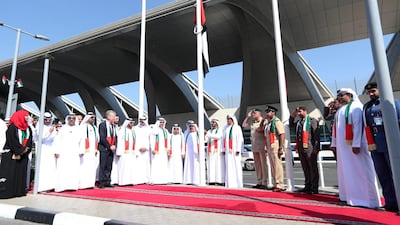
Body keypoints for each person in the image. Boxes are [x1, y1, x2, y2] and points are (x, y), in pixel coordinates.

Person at [331, 88, 381, 208]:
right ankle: (348, 196)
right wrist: (334, 143)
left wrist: (356, 144)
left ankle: (367, 199)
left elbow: (358, 127)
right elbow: (336, 129)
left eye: (341, 96)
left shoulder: (356, 107)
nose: (339, 98)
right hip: (344, 149)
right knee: (346, 172)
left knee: (361, 172)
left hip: (354, 146)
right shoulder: (341, 110)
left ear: (349, 95)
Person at [363, 82, 399, 212]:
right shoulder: (367, 107)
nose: (371, 94)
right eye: (369, 92)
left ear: (380, 89)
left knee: (397, 174)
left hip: (392, 145)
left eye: (373, 91)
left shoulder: (392, 103)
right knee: (383, 175)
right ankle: (390, 202)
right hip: (376, 147)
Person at [0, 110, 32, 199]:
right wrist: (20, 149)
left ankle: (19, 192)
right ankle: (7, 192)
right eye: (25, 116)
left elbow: (29, 140)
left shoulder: (28, 128)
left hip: (23, 155)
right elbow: (12, 140)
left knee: (20, 174)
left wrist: (26, 149)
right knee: (10, 174)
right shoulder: (12, 128)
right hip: (11, 154)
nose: (27, 117)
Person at [290, 106, 320, 194]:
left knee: (312, 167)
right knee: (305, 168)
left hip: (310, 147)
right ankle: (308, 186)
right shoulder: (299, 122)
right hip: (301, 147)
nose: (299, 114)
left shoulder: (312, 121)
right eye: (298, 112)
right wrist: (293, 115)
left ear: (305, 111)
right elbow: (291, 124)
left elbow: (316, 135)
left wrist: (316, 147)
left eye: (300, 112)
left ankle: (314, 188)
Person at [53, 114, 84, 192]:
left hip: (75, 152)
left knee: (74, 169)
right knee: (63, 169)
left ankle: (72, 186)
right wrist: (57, 151)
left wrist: (81, 151)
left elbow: (82, 141)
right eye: (70, 118)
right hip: (64, 152)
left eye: (73, 118)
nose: (71, 120)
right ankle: (62, 186)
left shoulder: (79, 129)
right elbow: (57, 140)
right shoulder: (62, 129)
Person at [242, 109, 268, 189]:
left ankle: (264, 182)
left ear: (259, 114)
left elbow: (261, 130)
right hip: (254, 146)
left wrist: (262, 120)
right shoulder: (253, 123)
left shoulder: (263, 121)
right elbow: (244, 125)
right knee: (257, 165)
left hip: (262, 146)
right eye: (252, 113)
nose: (253, 114)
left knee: (263, 165)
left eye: (255, 113)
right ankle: (259, 181)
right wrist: (248, 117)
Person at [264, 106, 285, 192]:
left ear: (273, 112)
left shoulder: (276, 122)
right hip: (270, 147)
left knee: (277, 166)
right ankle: (275, 183)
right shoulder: (269, 123)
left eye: (268, 111)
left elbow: (282, 134)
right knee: (273, 167)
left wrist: (281, 147)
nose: (267, 113)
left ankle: (280, 184)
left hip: (275, 146)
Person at [36, 112, 57, 192]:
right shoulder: (39, 127)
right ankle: (42, 187)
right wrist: (49, 131)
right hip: (43, 149)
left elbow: (55, 139)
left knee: (50, 168)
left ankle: (50, 185)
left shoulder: (52, 127)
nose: (47, 121)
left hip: (51, 150)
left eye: (49, 119)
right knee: (43, 168)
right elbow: (41, 137)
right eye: (45, 119)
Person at [79, 112, 99, 189]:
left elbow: (98, 139)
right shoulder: (82, 127)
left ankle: (90, 183)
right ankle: (83, 184)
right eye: (91, 117)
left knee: (92, 167)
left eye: (94, 118)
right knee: (84, 167)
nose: (93, 119)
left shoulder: (95, 128)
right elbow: (80, 140)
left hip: (93, 151)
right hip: (85, 151)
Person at [223, 115, 243, 188]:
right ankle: (229, 183)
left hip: (235, 151)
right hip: (228, 151)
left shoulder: (237, 128)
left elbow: (240, 139)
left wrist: (238, 149)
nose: (228, 121)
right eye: (227, 119)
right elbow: (223, 139)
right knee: (228, 167)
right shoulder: (225, 128)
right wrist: (223, 149)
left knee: (236, 166)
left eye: (229, 119)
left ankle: (238, 183)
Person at [98, 110, 117, 188]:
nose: (114, 118)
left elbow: (115, 137)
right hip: (104, 148)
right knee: (103, 165)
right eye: (113, 116)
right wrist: (109, 146)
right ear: (109, 117)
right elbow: (102, 137)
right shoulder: (102, 125)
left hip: (111, 149)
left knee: (109, 166)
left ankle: (107, 181)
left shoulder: (113, 126)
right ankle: (102, 182)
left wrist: (114, 145)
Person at [183, 121, 206, 186]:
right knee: (189, 165)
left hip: (196, 154)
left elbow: (203, 141)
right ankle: (188, 180)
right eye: (190, 127)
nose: (191, 128)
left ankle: (196, 180)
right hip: (188, 154)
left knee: (196, 165)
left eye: (192, 126)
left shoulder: (198, 134)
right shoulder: (187, 134)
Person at [116, 118, 136, 186]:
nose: (132, 124)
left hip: (131, 153)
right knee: (124, 167)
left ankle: (130, 181)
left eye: (133, 123)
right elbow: (119, 142)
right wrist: (119, 152)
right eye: (130, 123)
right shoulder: (122, 131)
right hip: (124, 152)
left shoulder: (133, 131)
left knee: (131, 167)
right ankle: (123, 181)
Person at [149, 118, 169, 184]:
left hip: (163, 151)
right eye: (160, 122)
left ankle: (163, 180)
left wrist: (168, 149)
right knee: (156, 164)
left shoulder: (165, 131)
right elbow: (151, 140)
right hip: (156, 150)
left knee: (163, 165)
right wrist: (152, 149)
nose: (162, 124)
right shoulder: (154, 130)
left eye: (163, 122)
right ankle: (155, 180)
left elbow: (168, 141)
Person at [205, 119, 224, 185]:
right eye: (211, 122)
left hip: (217, 150)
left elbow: (217, 136)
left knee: (218, 165)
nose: (212, 124)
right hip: (210, 151)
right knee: (211, 165)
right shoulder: (210, 131)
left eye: (213, 122)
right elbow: (206, 140)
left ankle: (219, 181)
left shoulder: (220, 130)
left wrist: (207, 133)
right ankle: (211, 180)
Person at [134, 116, 151, 185]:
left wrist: (146, 147)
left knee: (145, 165)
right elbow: (134, 139)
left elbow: (151, 140)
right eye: (141, 120)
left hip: (146, 150)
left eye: (143, 120)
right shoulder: (135, 129)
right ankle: (138, 179)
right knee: (138, 165)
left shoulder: (149, 129)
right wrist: (138, 148)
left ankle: (146, 179)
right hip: (138, 150)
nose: (142, 122)